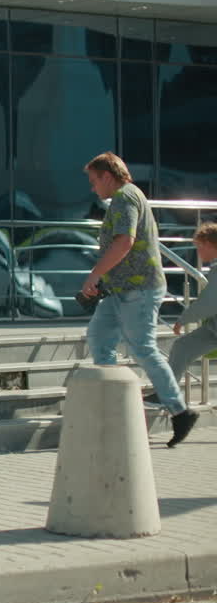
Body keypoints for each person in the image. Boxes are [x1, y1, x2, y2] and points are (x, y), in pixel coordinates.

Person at [80, 151, 198, 447]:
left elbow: (125, 240)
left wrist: (95, 274)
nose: (93, 188)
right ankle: (113, 407)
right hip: (120, 290)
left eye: (95, 181)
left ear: (108, 176)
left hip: (139, 289)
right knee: (99, 338)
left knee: (142, 347)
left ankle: (180, 412)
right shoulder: (127, 197)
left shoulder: (124, 197)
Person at [143, 223, 217, 446]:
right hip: (213, 329)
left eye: (200, 247)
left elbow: (210, 303)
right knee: (182, 347)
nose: (198, 252)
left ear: (210, 244)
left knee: (183, 347)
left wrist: (184, 319)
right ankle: (165, 393)